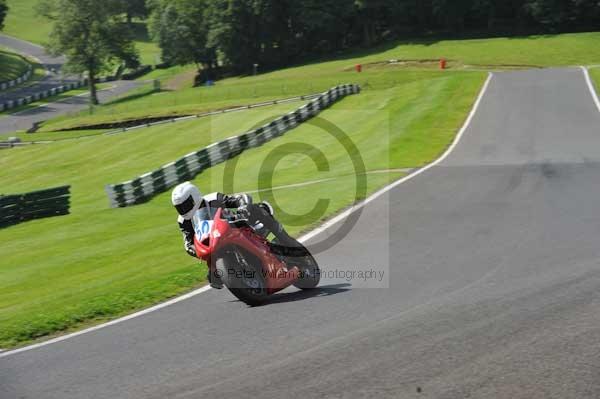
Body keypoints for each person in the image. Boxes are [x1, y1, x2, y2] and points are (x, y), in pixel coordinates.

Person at [171, 182, 302, 288]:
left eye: (185, 205)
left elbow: (238, 199)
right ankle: (245, 275)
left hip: (236, 226)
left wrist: (242, 207)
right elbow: (188, 242)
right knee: (214, 279)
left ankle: (285, 239)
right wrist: (195, 250)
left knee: (259, 209)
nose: (183, 210)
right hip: (214, 242)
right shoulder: (183, 221)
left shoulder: (213, 198)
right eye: (179, 207)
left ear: (194, 197)